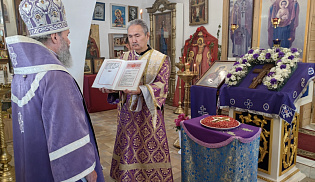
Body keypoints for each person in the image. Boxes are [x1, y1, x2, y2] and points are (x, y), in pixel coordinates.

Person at [7, 0, 105, 181]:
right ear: (54, 37)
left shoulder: (20, 75)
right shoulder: (56, 77)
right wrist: (85, 171)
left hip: (32, 165)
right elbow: (67, 131)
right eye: (66, 35)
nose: (68, 41)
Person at [99, 19, 173, 181]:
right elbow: (117, 81)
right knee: (128, 145)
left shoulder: (160, 59)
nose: (133, 40)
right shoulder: (123, 57)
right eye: (130, 36)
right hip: (127, 114)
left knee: (148, 146)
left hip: (148, 114)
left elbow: (162, 85)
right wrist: (110, 88)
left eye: (137, 35)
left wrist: (141, 90)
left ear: (147, 36)